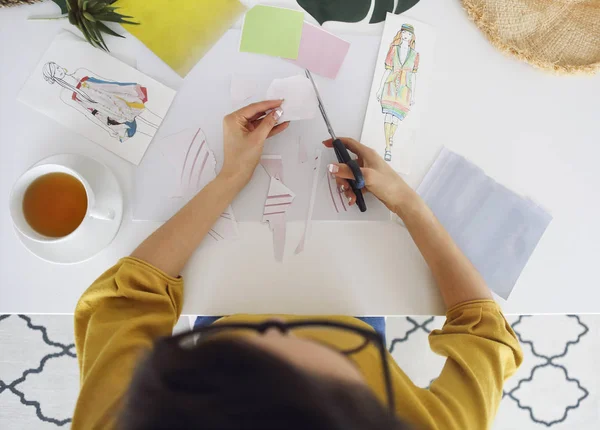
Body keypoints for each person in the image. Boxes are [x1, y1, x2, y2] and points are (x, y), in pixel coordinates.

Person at [72, 100, 523, 429]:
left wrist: (232, 176)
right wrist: (407, 201)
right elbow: (484, 331)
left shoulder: (125, 419)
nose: (272, 322)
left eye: (241, 352)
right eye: (324, 358)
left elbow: (126, 299)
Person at [42, 62, 162, 142]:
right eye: (55, 71)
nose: (59, 70)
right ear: (53, 77)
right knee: (144, 135)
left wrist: (128, 88)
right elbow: (89, 113)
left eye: (57, 67)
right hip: (109, 114)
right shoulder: (68, 95)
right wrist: (108, 127)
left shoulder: (81, 74)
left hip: (117, 99)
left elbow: (107, 84)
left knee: (152, 118)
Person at [377, 24, 419, 162]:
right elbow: (387, 69)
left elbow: (413, 76)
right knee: (388, 116)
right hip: (390, 84)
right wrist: (379, 88)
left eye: (408, 34)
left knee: (396, 118)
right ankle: (388, 147)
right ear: (400, 34)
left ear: (412, 36)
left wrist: (413, 95)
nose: (405, 36)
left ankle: (390, 138)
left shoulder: (415, 55)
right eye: (404, 33)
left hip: (405, 88)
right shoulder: (393, 50)